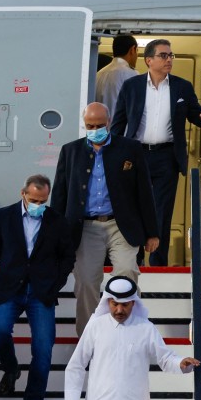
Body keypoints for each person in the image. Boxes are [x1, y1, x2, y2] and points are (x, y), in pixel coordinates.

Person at [51, 102, 159, 336]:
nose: (95, 129)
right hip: (85, 227)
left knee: (127, 273)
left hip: (121, 225)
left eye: (100, 125)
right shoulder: (70, 151)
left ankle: (129, 333)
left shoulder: (130, 148)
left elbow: (144, 192)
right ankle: (89, 338)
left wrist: (152, 232)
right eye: (90, 125)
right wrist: (55, 235)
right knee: (87, 282)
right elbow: (59, 194)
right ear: (84, 124)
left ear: (109, 122)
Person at [0, 174, 76, 400]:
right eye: (34, 199)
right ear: (23, 193)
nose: (38, 205)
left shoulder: (57, 221)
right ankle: (11, 370)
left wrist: (56, 284)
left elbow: (67, 257)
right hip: (9, 288)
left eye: (42, 201)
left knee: (43, 349)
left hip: (41, 292)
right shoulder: (4, 216)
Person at [111, 39, 201, 266]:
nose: (169, 59)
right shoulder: (132, 86)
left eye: (171, 55)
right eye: (164, 55)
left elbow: (196, 114)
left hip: (167, 157)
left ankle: (158, 263)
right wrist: (112, 154)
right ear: (149, 60)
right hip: (136, 155)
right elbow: (118, 122)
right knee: (135, 208)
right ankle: (136, 259)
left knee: (162, 210)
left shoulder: (182, 87)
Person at [63, 275, 200, 400]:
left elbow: (165, 358)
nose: (119, 310)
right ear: (108, 301)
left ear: (133, 303)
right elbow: (77, 364)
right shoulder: (95, 326)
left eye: (125, 305)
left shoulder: (145, 328)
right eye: (115, 304)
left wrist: (180, 362)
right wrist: (71, 398)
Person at [95, 35, 138, 117]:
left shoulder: (99, 74)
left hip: (101, 127)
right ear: (132, 50)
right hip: (121, 128)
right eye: (137, 50)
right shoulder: (131, 74)